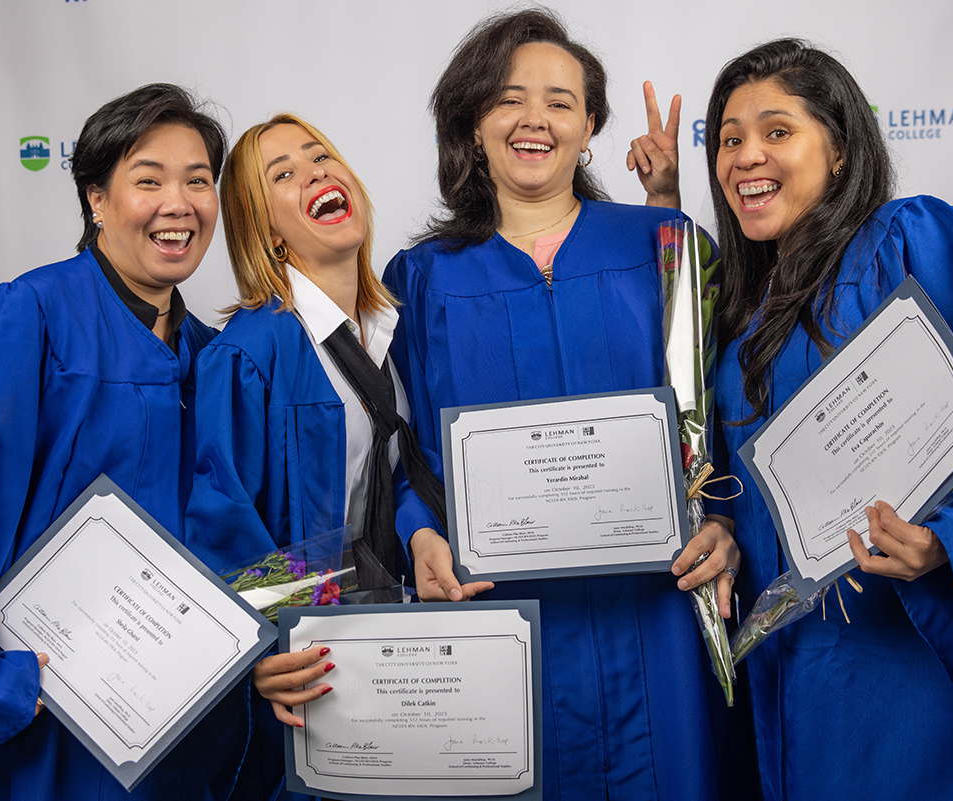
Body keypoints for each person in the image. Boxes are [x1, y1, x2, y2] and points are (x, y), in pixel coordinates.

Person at [697, 38, 953, 800]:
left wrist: (948, 544)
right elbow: (733, 488)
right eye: (730, 139)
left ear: (839, 150)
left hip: (913, 668)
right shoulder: (739, 321)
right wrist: (723, 531)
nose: (746, 156)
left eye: (777, 131)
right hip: (792, 670)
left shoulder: (916, 239)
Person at [384, 9, 738, 800]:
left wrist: (725, 520)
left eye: (559, 101)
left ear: (589, 129)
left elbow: (732, 409)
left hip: (661, 614)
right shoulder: (422, 280)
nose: (533, 119)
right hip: (505, 625)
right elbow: (396, 443)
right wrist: (418, 532)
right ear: (474, 125)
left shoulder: (667, 246)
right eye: (508, 99)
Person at [0, 84, 269, 800]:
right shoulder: (24, 320)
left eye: (197, 181)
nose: (178, 203)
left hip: (169, 735)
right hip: (37, 731)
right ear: (95, 197)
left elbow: (239, 535)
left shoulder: (215, 357)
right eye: (147, 179)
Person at [184, 113, 443, 801]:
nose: (317, 173)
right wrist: (265, 649)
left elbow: (395, 468)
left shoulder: (386, 332)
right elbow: (219, 523)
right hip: (309, 671)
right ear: (265, 227)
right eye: (285, 174)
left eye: (321, 156)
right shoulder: (254, 351)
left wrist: (421, 533)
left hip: (385, 643)